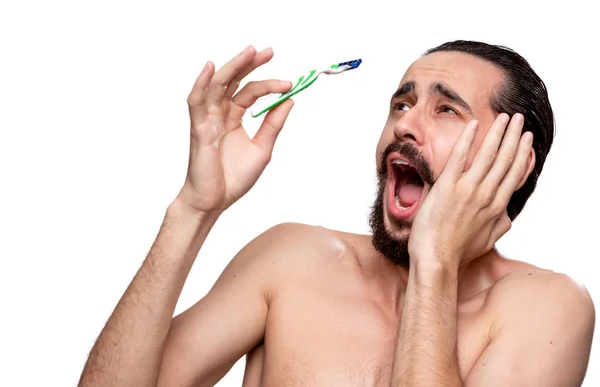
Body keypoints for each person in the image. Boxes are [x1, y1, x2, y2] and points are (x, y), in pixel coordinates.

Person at [78, 40, 595, 387]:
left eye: (445, 110)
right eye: (401, 104)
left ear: (511, 161)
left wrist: (434, 263)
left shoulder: (547, 309)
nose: (405, 126)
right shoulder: (293, 260)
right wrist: (193, 208)